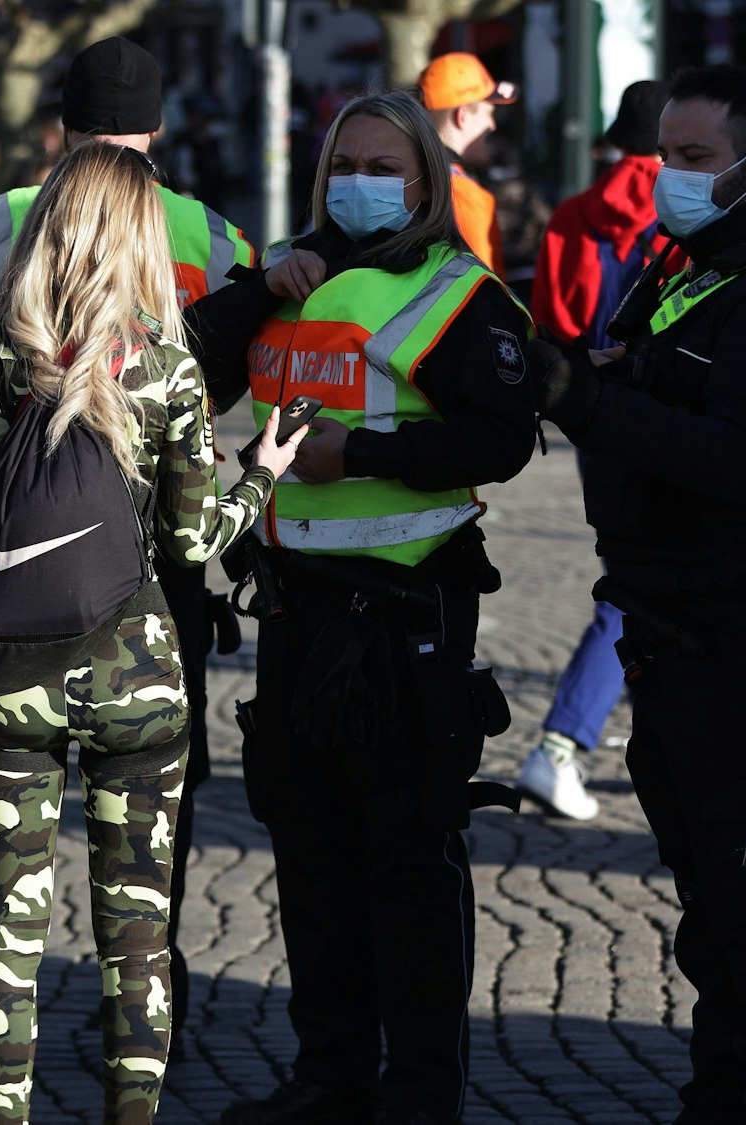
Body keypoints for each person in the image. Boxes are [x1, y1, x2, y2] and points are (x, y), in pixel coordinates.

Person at [0, 140, 301, 1125]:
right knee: (137, 939)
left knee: (5, 944)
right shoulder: (164, 373)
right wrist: (262, 472)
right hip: (138, 686)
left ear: (40, 236)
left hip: (3, 687)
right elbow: (190, 539)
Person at [191, 89, 536, 1125]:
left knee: (407, 858)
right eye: (347, 165)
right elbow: (188, 373)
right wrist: (258, 291)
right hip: (296, 607)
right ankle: (328, 1078)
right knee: (309, 852)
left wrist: (365, 455)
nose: (362, 186)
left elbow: (500, 439)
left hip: (407, 612)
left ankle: (418, 1094)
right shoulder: (287, 277)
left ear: (425, 184)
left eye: (386, 168)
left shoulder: (455, 292)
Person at [530, 65, 746, 1123]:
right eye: (658, 154)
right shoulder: (688, 268)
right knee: (712, 900)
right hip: (674, 623)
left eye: (689, 158)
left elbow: (742, 461)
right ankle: (725, 1095)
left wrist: (585, 398)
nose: (663, 176)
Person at [518, 78, 672, 820]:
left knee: (635, 573)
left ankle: (648, 742)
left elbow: (550, 312)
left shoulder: (574, 213)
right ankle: (561, 742)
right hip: (661, 413)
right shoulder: (680, 211)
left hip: (591, 411)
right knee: (644, 587)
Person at [417, 51, 516, 274]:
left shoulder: (405, 179)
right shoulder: (465, 196)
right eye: (488, 112)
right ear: (462, 116)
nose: (492, 126)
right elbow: (488, 292)